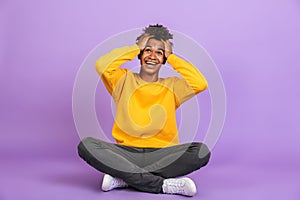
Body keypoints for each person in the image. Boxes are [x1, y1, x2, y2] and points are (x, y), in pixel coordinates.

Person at [77, 24, 211, 197]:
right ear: (140, 55)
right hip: (126, 153)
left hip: (162, 154)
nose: (152, 56)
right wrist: (136, 47)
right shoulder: (122, 80)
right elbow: (101, 65)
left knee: (201, 151)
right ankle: (161, 185)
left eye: (159, 52)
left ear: (164, 59)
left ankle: (125, 178)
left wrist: (171, 56)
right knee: (86, 145)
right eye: (148, 50)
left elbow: (200, 83)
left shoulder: (172, 86)